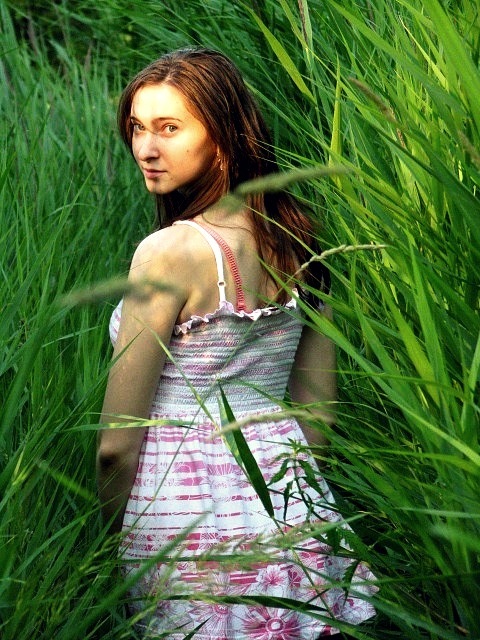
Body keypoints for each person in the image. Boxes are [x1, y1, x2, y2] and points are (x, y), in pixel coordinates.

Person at [97, 47, 376, 639]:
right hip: (289, 502)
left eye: (169, 128)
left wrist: (104, 540)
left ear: (223, 139)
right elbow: (319, 415)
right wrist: (289, 510)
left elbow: (116, 447)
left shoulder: (170, 251)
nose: (146, 148)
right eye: (138, 128)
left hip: (178, 508)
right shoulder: (301, 241)